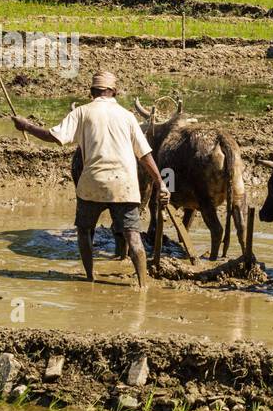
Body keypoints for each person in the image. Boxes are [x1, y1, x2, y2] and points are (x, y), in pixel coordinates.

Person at [11, 72, 168, 290]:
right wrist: (160, 181)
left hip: (92, 184)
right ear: (114, 91)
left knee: (85, 231)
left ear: (91, 92)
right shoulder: (128, 116)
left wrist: (26, 126)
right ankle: (143, 286)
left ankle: (90, 278)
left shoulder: (82, 112)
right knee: (133, 235)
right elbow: (144, 154)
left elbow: (54, 137)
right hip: (125, 185)